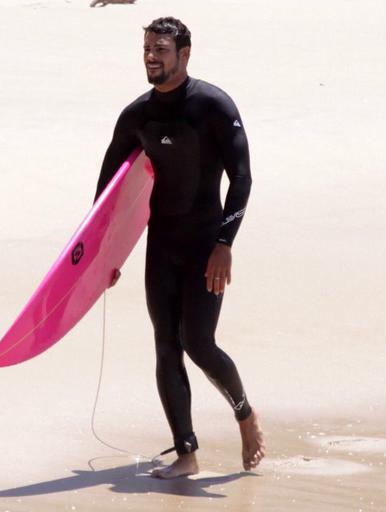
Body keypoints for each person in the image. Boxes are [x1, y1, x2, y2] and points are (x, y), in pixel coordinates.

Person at [94, 16, 266, 479]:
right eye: (147, 49)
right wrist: (104, 257)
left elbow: (243, 179)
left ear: (184, 54)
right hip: (162, 245)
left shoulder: (212, 105)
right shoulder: (137, 116)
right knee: (166, 345)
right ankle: (185, 452)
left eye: (161, 50)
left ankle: (245, 415)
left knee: (199, 342)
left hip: (206, 243)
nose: (151, 57)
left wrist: (224, 244)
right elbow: (107, 194)